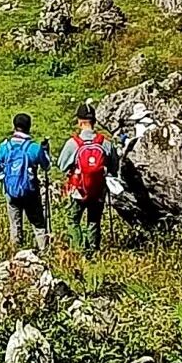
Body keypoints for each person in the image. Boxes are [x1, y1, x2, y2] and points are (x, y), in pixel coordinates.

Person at [57, 104, 115, 256]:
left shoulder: (73, 143)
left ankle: (78, 250)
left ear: (79, 121)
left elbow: (62, 165)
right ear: (94, 121)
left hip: (79, 190)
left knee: (73, 219)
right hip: (98, 190)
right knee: (94, 220)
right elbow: (114, 166)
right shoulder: (105, 143)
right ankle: (93, 252)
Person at [0, 113, 50, 252]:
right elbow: (46, 166)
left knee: (15, 225)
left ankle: (16, 255)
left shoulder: (5, 147)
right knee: (38, 224)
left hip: (11, 192)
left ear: (14, 126)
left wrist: (3, 177)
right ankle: (44, 252)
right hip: (30, 191)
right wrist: (45, 151)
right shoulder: (34, 148)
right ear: (29, 127)